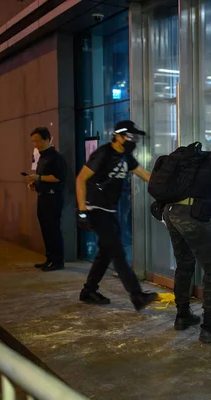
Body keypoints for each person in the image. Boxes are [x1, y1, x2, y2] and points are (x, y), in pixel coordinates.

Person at [161, 137, 211, 343]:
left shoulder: (202, 163)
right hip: (188, 216)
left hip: (171, 211)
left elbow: (201, 200)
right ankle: (210, 326)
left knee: (185, 263)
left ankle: (183, 315)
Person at [76, 120, 158, 311]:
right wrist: (82, 211)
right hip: (95, 209)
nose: (133, 140)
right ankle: (137, 296)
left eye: (135, 137)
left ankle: (88, 291)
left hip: (110, 210)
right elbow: (81, 178)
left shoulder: (126, 157)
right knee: (118, 252)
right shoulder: (103, 153)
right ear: (118, 136)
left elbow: (145, 175)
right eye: (130, 136)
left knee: (106, 253)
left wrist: (168, 185)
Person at [26, 127, 66, 271]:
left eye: (37, 141)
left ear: (47, 139)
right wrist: (34, 182)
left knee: (53, 229)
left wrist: (40, 178)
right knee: (45, 229)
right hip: (42, 197)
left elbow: (58, 178)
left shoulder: (56, 157)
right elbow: (42, 177)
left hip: (52, 198)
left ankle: (58, 261)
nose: (35, 144)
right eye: (33, 141)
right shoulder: (42, 156)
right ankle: (49, 258)